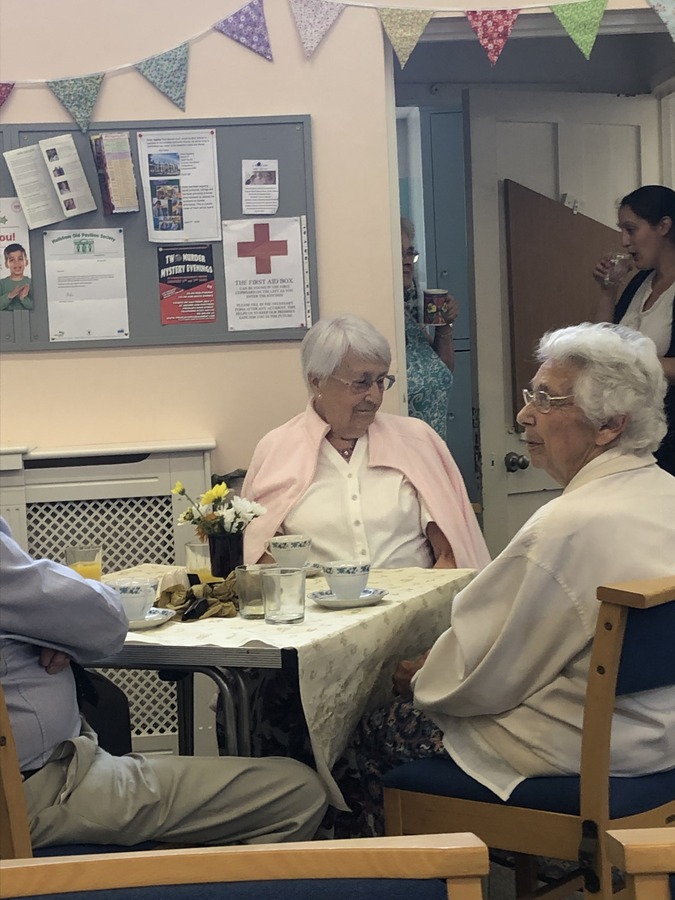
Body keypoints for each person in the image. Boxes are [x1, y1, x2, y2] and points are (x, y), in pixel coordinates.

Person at [332, 322, 675, 837]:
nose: (524, 414)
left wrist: (419, 678)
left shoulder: (567, 526)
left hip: (589, 748)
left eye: (546, 399)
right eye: (529, 393)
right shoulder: (664, 491)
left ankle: (407, 881)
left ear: (609, 426)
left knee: (371, 732)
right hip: (661, 736)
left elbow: (488, 676)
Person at [0, 516, 328, 850]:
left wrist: (45, 625)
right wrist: (57, 624)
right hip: (36, 791)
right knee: (297, 793)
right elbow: (106, 618)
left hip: (40, 774)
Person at [242, 314, 490, 571]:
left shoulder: (416, 439)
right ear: (317, 381)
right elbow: (264, 560)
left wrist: (417, 605)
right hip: (318, 608)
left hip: (416, 605)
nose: (374, 396)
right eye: (361, 383)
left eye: (381, 381)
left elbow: (451, 554)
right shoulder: (277, 449)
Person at [593, 185, 675, 475]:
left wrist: (632, 359)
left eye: (631, 229)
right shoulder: (639, 284)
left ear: (663, 226)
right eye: (622, 230)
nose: (625, 242)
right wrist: (608, 291)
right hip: (633, 435)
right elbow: (604, 342)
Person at [401, 217, 457, 441]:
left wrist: (444, 327)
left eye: (409, 253)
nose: (407, 262)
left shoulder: (407, 314)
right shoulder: (376, 320)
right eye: (399, 254)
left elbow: (443, 369)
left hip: (433, 452)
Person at [0, 243, 32, 311]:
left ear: (26, 261)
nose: (16, 263)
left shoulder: (31, 283)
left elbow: (38, 307)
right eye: (12, 260)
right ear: (6, 264)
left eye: (20, 259)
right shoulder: (2, 284)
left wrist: (23, 298)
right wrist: (10, 295)